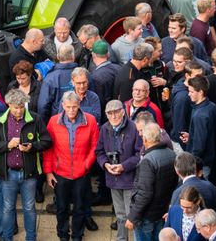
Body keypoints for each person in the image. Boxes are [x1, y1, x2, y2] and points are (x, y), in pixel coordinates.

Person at [0, 88, 49, 241]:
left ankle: (31, 238)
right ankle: (7, 238)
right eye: (15, 107)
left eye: (21, 107)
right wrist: (7, 145)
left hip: (29, 173)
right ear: (8, 104)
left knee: (29, 208)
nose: (19, 111)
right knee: (8, 209)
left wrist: (32, 147)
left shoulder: (35, 119)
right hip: (8, 173)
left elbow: (47, 141)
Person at [43, 91, 98, 241]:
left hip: (82, 173)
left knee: (80, 208)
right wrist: (48, 172)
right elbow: (48, 149)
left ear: (79, 105)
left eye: (74, 106)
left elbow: (95, 146)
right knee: (61, 208)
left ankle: (77, 236)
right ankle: (63, 235)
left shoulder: (90, 121)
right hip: (61, 173)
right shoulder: (54, 122)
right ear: (63, 106)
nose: (72, 110)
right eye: (68, 107)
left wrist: (86, 164)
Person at [96, 99, 142, 241]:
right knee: (120, 214)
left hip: (129, 179)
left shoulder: (134, 128)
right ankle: (121, 239)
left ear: (123, 112)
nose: (114, 116)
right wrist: (105, 165)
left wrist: (124, 166)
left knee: (131, 216)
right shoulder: (104, 128)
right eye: (110, 113)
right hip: (112, 179)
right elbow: (99, 151)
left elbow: (139, 154)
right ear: (106, 114)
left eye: (116, 112)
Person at [126, 123, 178, 241]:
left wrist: (133, 216)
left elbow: (144, 193)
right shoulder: (172, 154)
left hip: (146, 216)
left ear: (145, 140)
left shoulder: (148, 161)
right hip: (162, 211)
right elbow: (174, 184)